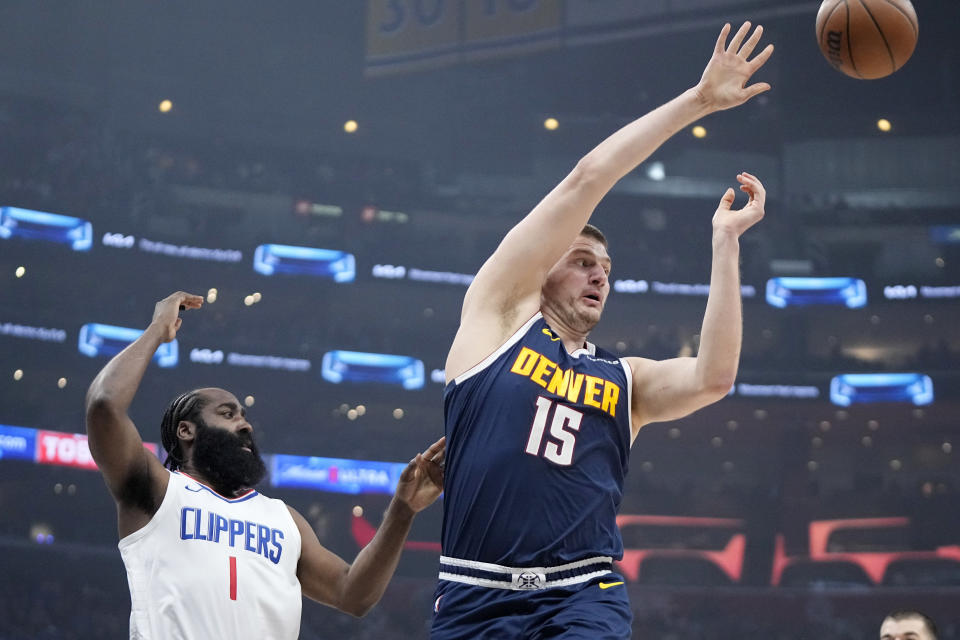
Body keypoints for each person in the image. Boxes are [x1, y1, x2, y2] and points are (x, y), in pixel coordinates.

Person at [432, 21, 772, 639]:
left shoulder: (623, 378)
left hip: (585, 592)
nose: (599, 277)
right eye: (583, 262)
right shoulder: (497, 317)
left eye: (607, 270)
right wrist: (698, 101)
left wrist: (725, 245)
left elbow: (714, 377)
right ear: (543, 269)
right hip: (474, 592)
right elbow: (588, 177)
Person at [85, 291, 445, 639]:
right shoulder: (158, 491)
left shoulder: (283, 518)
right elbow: (104, 406)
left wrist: (402, 511)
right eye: (227, 414)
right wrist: (156, 332)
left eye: (244, 416)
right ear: (186, 430)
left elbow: (354, 595)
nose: (245, 425)